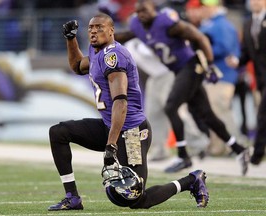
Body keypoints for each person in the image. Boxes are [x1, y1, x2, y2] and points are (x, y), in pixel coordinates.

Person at [48, 13, 209, 211]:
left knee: (136, 199)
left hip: (132, 131)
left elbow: (121, 103)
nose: (93, 31)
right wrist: (71, 39)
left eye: (99, 27)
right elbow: (77, 66)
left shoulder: (114, 57)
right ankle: (72, 197)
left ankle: (191, 180)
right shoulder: (97, 51)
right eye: (90, 28)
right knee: (58, 132)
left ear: (111, 30)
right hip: (112, 126)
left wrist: (111, 145)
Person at [114, 0, 249, 175]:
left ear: (154, 10)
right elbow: (127, 35)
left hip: (190, 66)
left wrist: (208, 64)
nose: (141, 15)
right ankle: (239, 150)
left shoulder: (166, 22)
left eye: (145, 11)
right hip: (179, 71)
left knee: (171, 106)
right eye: (138, 12)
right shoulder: (138, 25)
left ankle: (183, 156)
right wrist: (107, 38)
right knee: (207, 115)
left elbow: (199, 37)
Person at [185, 0, 243, 156]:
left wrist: (199, 49)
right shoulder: (210, 24)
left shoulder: (221, 25)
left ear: (213, 7)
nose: (202, 10)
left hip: (222, 75)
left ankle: (237, 144)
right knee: (213, 113)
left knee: (220, 111)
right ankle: (219, 147)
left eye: (204, 7)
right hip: (214, 76)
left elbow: (224, 48)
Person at [226, 0, 266, 165]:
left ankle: (257, 155)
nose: (255, 2)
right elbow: (247, 52)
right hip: (261, 78)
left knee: (262, 114)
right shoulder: (248, 23)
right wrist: (237, 61)